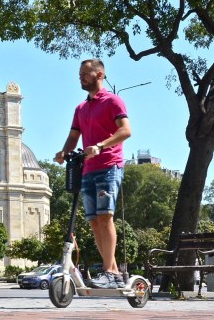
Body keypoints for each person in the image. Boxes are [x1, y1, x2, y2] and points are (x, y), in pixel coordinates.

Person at [55, 58, 132, 289]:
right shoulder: (81, 108)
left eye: (85, 74)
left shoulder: (113, 101)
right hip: (87, 169)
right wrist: (63, 152)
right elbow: (73, 137)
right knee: (94, 221)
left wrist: (100, 145)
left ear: (99, 75)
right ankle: (115, 272)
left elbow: (126, 131)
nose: (81, 77)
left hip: (109, 165)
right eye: (80, 74)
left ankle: (109, 271)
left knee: (105, 216)